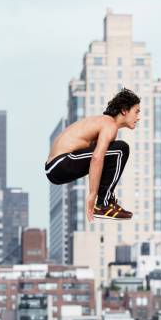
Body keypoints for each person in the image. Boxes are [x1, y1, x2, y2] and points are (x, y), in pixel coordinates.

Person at [45, 88, 140, 222]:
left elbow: (99, 159)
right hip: (61, 163)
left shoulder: (101, 122)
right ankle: (103, 204)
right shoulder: (109, 125)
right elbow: (96, 158)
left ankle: (107, 200)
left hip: (55, 167)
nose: (138, 117)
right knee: (121, 149)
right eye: (136, 112)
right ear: (124, 110)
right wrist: (92, 195)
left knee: (111, 153)